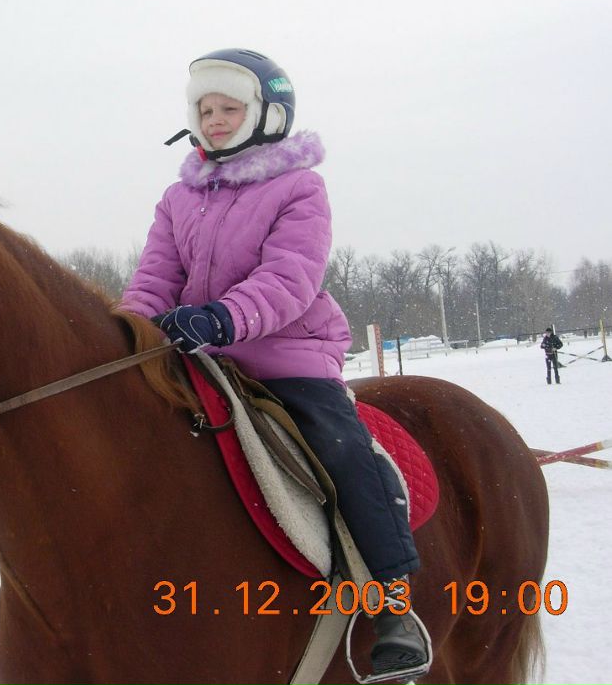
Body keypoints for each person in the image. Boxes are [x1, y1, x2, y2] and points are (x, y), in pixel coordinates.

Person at [121, 48, 428, 677]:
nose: (214, 120)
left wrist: (222, 317)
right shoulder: (179, 197)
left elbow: (291, 276)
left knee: (342, 450)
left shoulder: (299, 187)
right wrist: (131, 330)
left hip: (286, 357)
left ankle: (392, 602)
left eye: (229, 108)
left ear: (266, 114)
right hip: (197, 356)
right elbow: (155, 276)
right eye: (204, 109)